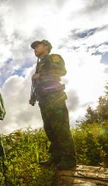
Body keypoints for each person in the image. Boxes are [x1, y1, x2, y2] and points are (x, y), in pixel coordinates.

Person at [30, 39, 76, 170]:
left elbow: (62, 71)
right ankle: (56, 158)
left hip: (54, 97)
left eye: (37, 46)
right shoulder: (39, 64)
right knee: (50, 129)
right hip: (43, 100)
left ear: (46, 47)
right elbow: (37, 84)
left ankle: (69, 159)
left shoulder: (53, 58)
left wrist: (41, 75)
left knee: (61, 128)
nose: (35, 49)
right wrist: (33, 97)